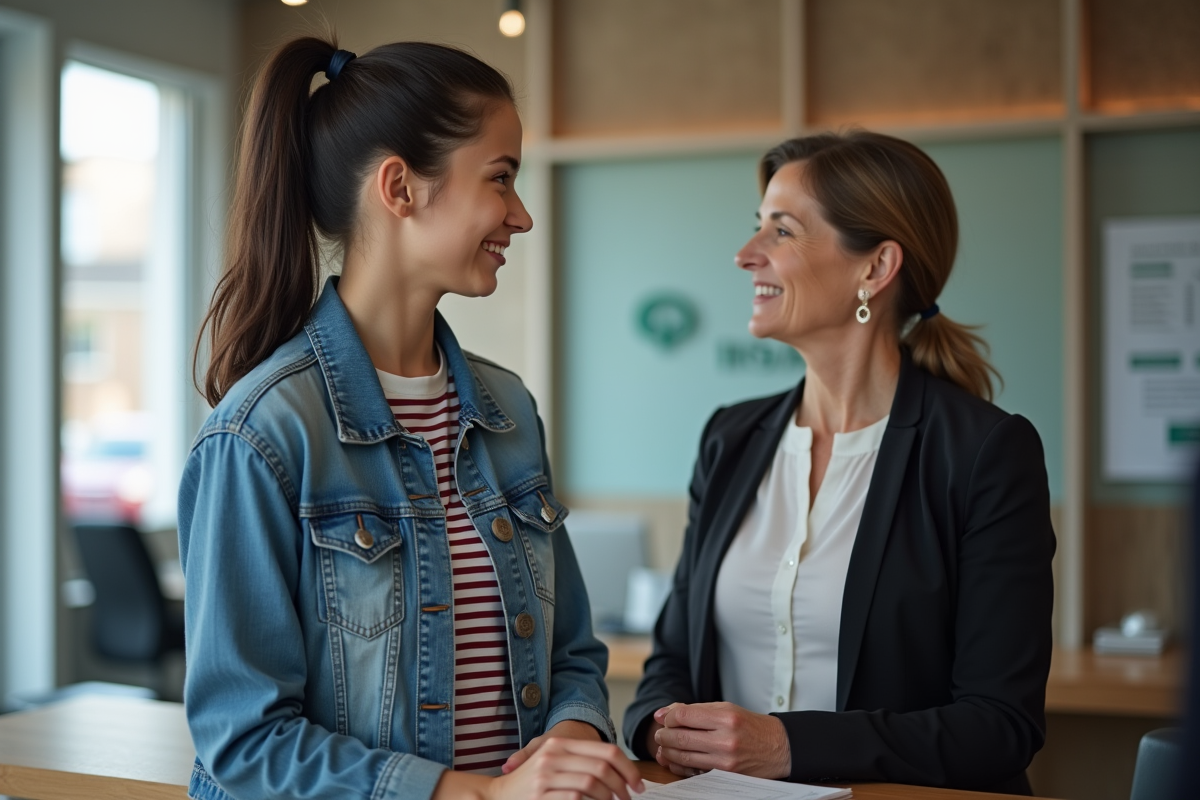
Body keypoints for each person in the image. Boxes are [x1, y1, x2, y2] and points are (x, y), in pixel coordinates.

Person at [178, 37, 642, 800]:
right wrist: (483, 794)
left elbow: (573, 657)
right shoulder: (262, 432)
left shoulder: (509, 411)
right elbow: (247, 741)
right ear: (400, 187)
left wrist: (570, 742)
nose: (521, 216)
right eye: (501, 179)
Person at [623, 131, 1056, 795]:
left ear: (875, 269)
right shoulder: (729, 439)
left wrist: (786, 745)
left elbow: (998, 727)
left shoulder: (983, 453)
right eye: (756, 227)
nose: (745, 255)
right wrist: (658, 726)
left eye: (783, 231)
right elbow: (672, 660)